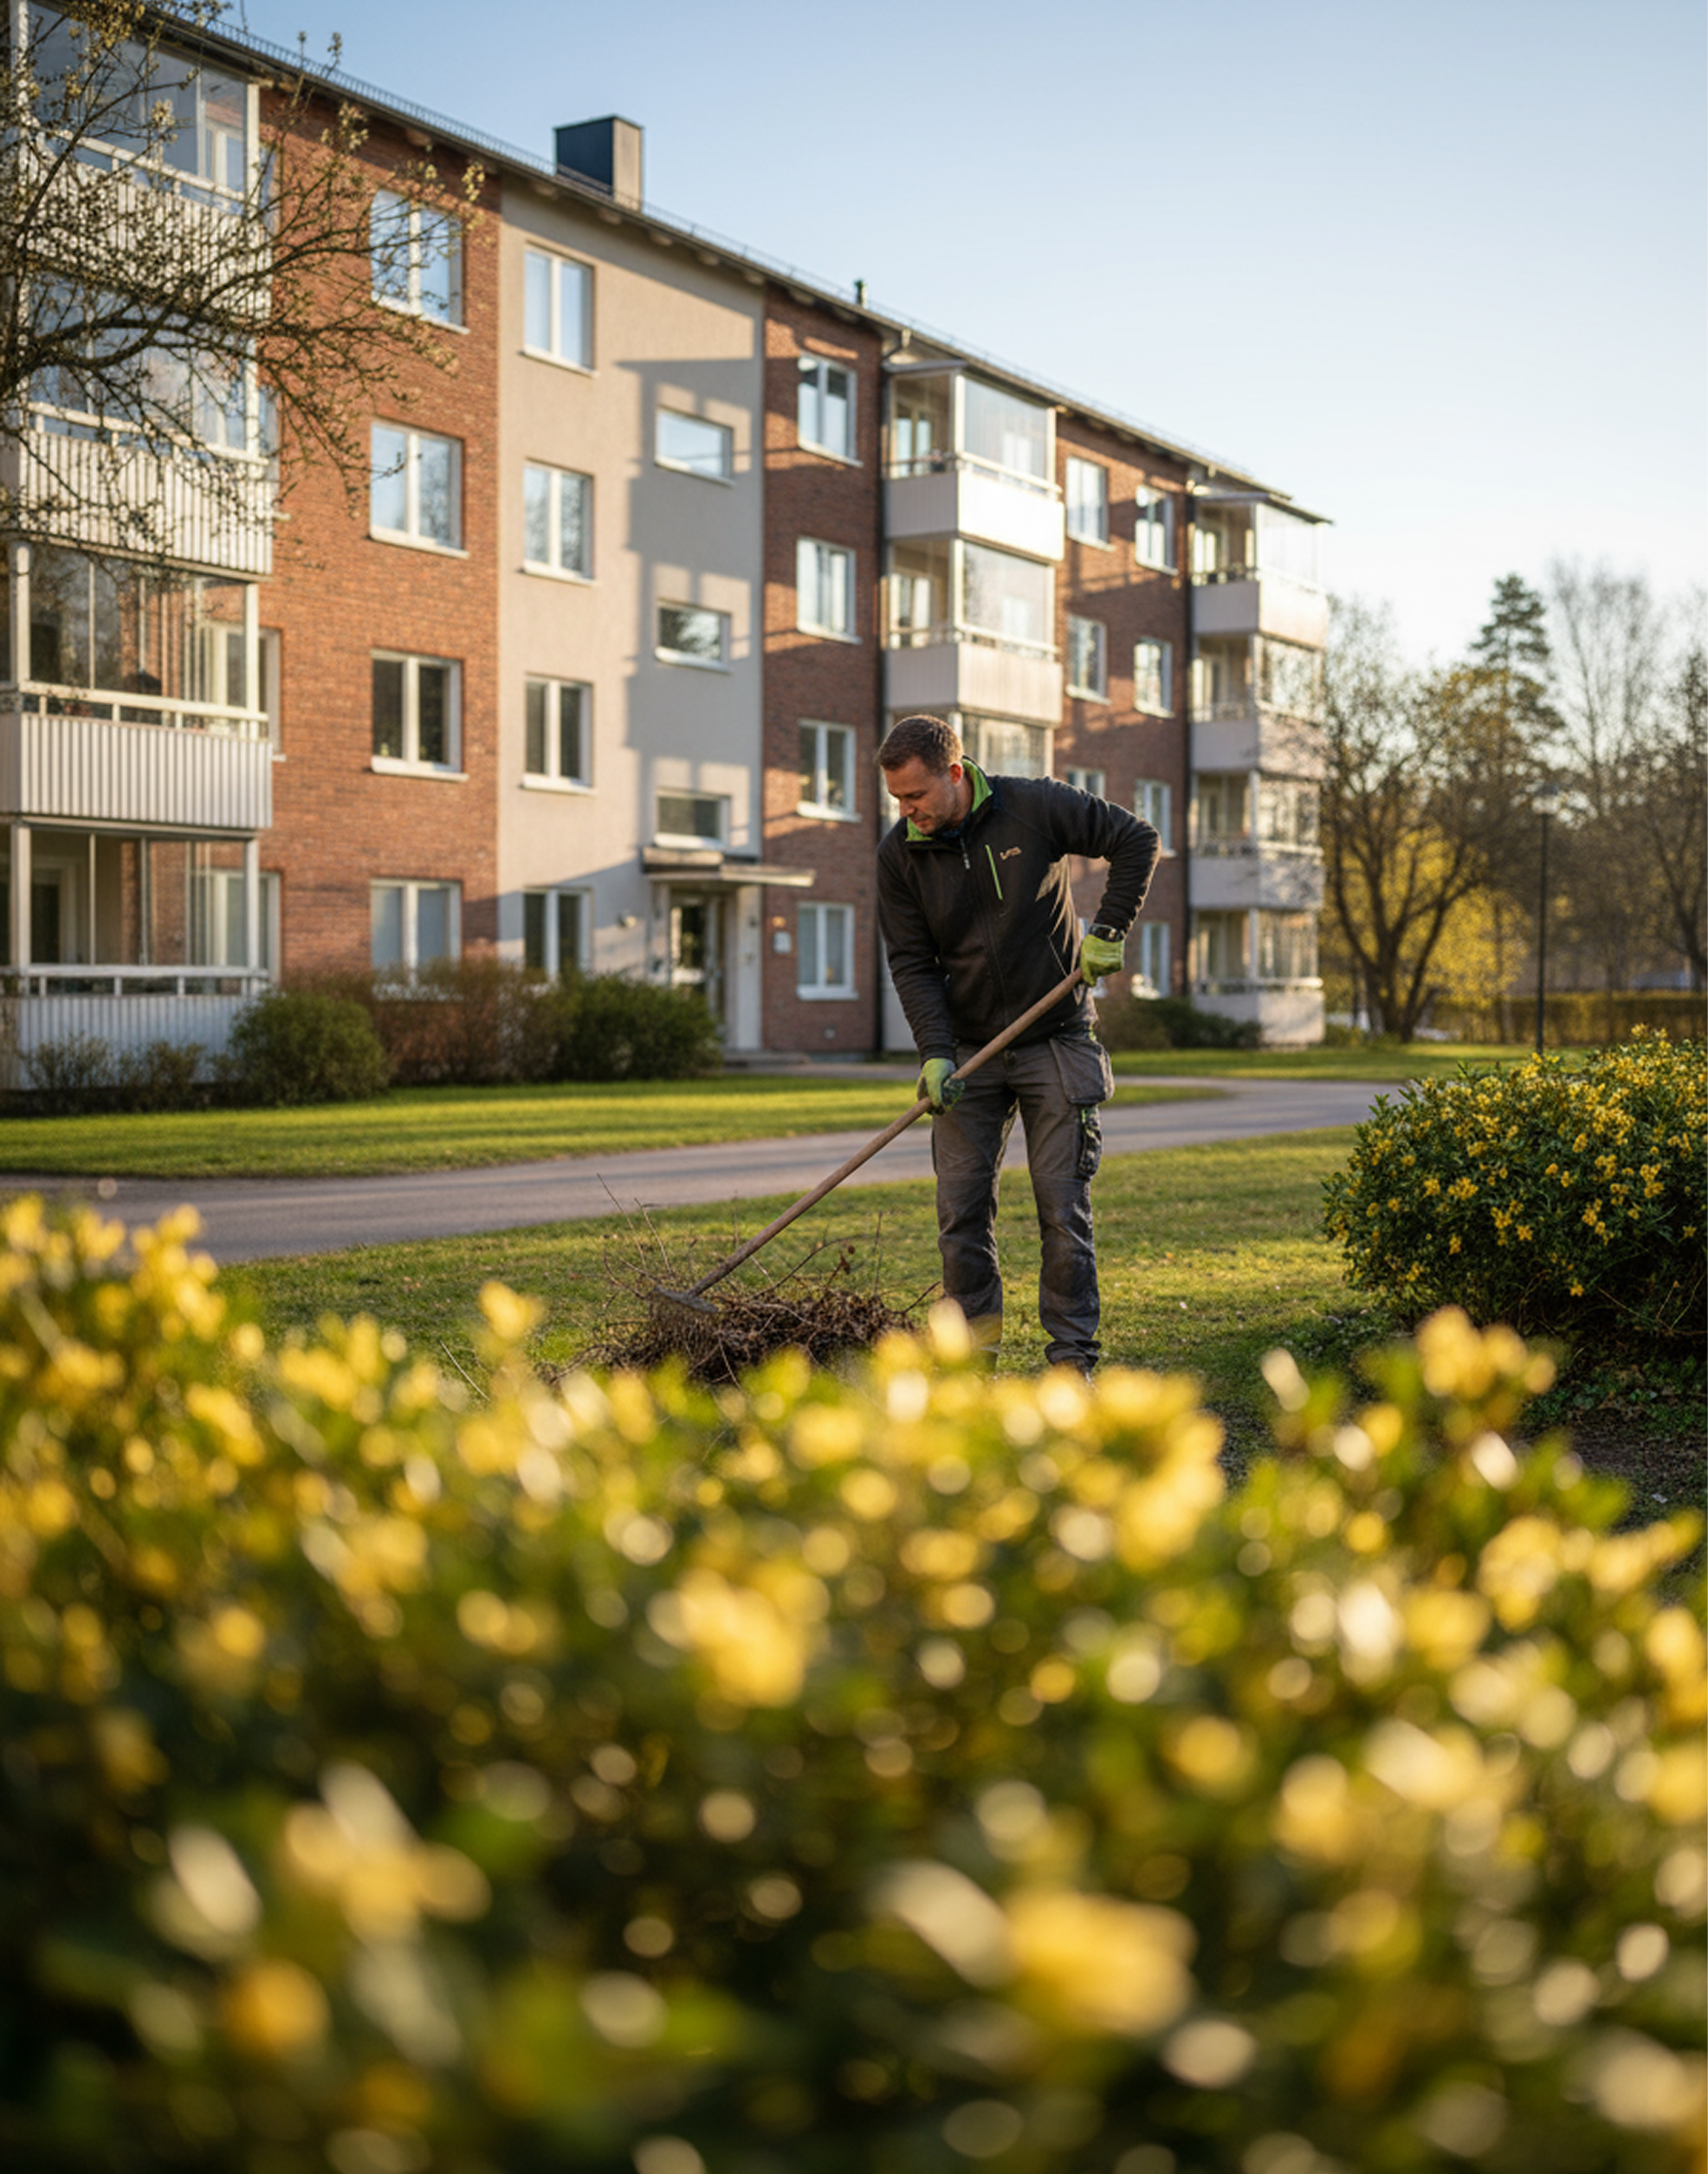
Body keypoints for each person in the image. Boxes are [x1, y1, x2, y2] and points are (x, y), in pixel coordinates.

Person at [875, 714, 1159, 1374]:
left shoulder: (1033, 806)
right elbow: (912, 963)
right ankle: (972, 1370)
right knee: (961, 1218)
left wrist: (1109, 929)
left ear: (954, 773)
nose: (907, 811)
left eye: (916, 796)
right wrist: (935, 1051)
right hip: (970, 1054)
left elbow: (1135, 839)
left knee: (1063, 1214)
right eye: (897, 800)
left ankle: (1071, 1366)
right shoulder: (900, 857)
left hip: (1056, 1040)